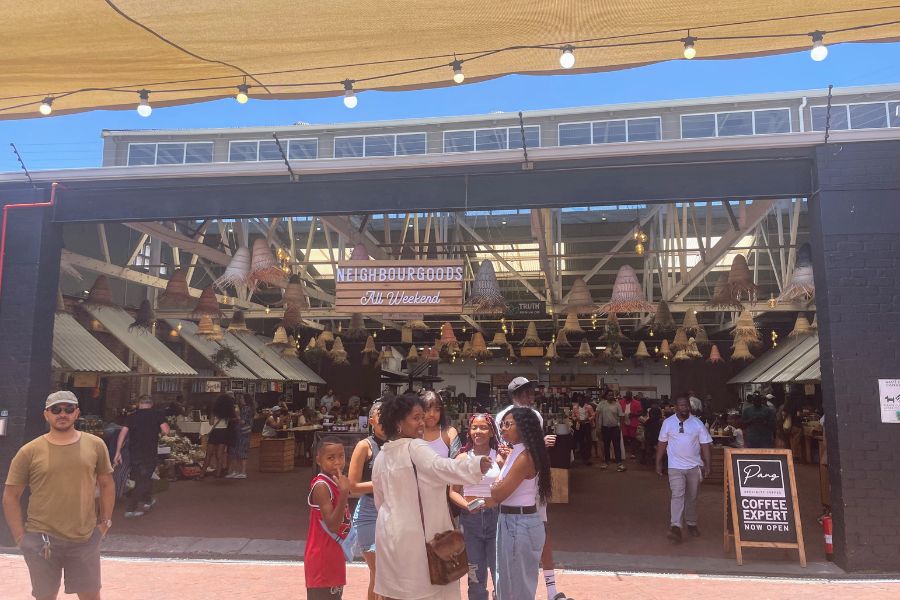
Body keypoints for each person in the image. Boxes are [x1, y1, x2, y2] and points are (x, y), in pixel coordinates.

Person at [373, 393, 491, 600]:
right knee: (429, 592)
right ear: (399, 423)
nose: (422, 422)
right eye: (415, 417)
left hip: (390, 535)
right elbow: (441, 467)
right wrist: (475, 464)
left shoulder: (383, 455)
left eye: (422, 416)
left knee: (399, 593)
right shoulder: (414, 446)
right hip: (420, 538)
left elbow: (379, 501)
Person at [3, 391, 115, 600]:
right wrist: (20, 537)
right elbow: (10, 495)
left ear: (77, 413)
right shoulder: (29, 451)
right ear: (46, 414)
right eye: (56, 409)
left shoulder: (95, 445)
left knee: (91, 596)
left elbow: (107, 483)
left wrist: (105, 523)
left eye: (68, 409)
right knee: (45, 597)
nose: (62, 414)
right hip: (42, 539)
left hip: (85, 538)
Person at [496, 377, 571, 600]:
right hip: (518, 486)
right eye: (525, 392)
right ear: (514, 394)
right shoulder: (509, 416)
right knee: (522, 542)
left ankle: (549, 589)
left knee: (539, 535)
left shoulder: (529, 415)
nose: (530, 396)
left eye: (531, 391)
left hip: (529, 484)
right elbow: (510, 452)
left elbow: (527, 452)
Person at [492, 407, 552, 600]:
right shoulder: (516, 452)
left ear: (523, 428)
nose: (503, 428)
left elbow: (499, 492)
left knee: (516, 589)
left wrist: (495, 484)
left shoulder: (525, 457)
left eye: (508, 424)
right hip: (512, 520)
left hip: (519, 522)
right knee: (508, 583)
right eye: (502, 424)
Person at [449, 414, 504, 600]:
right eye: (474, 427)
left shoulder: (500, 458)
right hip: (470, 520)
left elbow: (507, 490)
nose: (478, 431)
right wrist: (467, 505)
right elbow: (453, 492)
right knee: (475, 574)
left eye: (483, 427)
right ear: (469, 431)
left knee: (499, 573)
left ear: (491, 432)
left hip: (496, 518)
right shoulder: (462, 458)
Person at [656, 396, 712, 544]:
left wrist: (708, 464)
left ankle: (691, 523)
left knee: (692, 497)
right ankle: (675, 526)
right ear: (676, 407)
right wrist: (658, 462)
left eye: (686, 405)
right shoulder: (668, 423)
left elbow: (705, 445)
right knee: (677, 495)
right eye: (681, 405)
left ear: (690, 407)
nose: (684, 408)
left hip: (694, 466)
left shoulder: (697, 423)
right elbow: (662, 443)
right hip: (675, 466)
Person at [348, 400, 387, 600]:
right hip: (369, 512)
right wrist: (385, 483)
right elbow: (352, 486)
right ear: (371, 420)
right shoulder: (364, 446)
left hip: (394, 511)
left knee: (382, 575)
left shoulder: (399, 443)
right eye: (381, 415)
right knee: (380, 572)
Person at [305, 436, 351, 599]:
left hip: (334, 556)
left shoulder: (336, 482)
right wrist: (345, 493)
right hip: (322, 560)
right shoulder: (321, 486)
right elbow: (332, 525)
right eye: (330, 458)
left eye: (341, 456)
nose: (337, 462)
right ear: (318, 459)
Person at [113, 394, 170, 518]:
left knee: (142, 477)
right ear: (151, 404)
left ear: (139, 404)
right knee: (142, 480)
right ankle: (130, 509)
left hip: (134, 453)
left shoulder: (132, 417)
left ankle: (148, 500)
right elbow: (166, 430)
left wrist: (118, 452)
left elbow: (122, 434)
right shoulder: (157, 414)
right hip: (149, 452)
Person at [202, 394, 236, 478]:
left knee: (209, 454)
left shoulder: (214, 411)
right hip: (224, 432)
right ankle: (218, 473)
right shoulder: (229, 412)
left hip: (215, 432)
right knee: (219, 455)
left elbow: (211, 423)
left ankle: (202, 473)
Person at [421, 389, 460, 458]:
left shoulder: (449, 432)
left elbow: (457, 461)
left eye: (437, 410)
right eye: (427, 409)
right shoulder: (413, 433)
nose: (432, 414)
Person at [597, 391, 626, 472]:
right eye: (609, 395)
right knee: (606, 445)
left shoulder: (617, 404)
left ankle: (619, 463)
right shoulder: (601, 404)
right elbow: (597, 415)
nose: (610, 396)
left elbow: (621, 416)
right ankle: (606, 461)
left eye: (612, 395)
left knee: (617, 446)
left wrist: (620, 426)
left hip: (615, 428)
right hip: (605, 428)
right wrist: (597, 427)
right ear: (606, 396)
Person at [227, 393, 255, 479]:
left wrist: (237, 416)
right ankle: (239, 471)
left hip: (242, 432)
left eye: (242, 398)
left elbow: (242, 421)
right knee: (240, 451)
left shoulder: (245, 409)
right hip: (245, 432)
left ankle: (242, 472)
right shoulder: (250, 409)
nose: (240, 400)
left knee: (240, 452)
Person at [571, 395, 595, 466]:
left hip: (587, 425)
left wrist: (587, 419)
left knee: (588, 441)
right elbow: (573, 416)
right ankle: (583, 458)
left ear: (584, 400)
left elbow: (593, 415)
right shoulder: (575, 407)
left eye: (581, 400)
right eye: (578, 400)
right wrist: (577, 419)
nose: (579, 401)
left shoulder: (589, 407)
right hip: (579, 425)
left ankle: (588, 457)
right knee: (581, 441)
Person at [619, 392, 642, 458]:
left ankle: (633, 453)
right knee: (624, 437)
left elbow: (640, 412)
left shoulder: (637, 403)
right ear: (625, 395)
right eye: (627, 395)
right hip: (623, 422)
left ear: (631, 396)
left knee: (633, 438)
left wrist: (634, 415)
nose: (628, 396)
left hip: (633, 422)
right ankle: (624, 452)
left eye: (629, 395)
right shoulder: (621, 402)